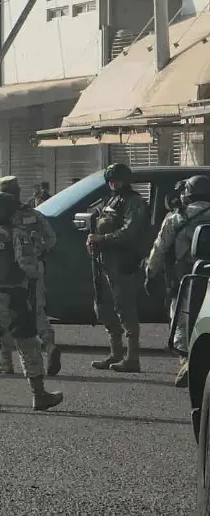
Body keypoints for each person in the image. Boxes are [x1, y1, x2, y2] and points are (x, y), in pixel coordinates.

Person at [0, 192, 64, 413]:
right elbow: (30, 267)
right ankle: (39, 394)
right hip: (13, 298)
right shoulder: (16, 234)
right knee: (28, 345)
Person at [0, 176, 61, 377]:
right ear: (18, 192)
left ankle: (5, 361)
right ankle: (49, 344)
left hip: (6, 271)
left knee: (3, 313)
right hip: (33, 268)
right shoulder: (32, 213)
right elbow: (51, 239)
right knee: (36, 310)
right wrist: (38, 252)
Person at [145, 175, 210, 388]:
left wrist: (150, 273)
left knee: (182, 321)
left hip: (186, 280)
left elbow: (160, 248)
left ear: (188, 193)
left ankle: (187, 363)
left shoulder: (176, 217)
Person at [88, 163, 149, 373]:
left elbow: (130, 231)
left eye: (117, 180)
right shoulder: (111, 200)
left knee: (125, 307)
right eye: (111, 180)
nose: (114, 184)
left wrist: (103, 238)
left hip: (123, 261)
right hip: (105, 261)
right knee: (105, 307)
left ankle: (132, 358)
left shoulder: (135, 202)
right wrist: (93, 238)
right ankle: (115, 353)